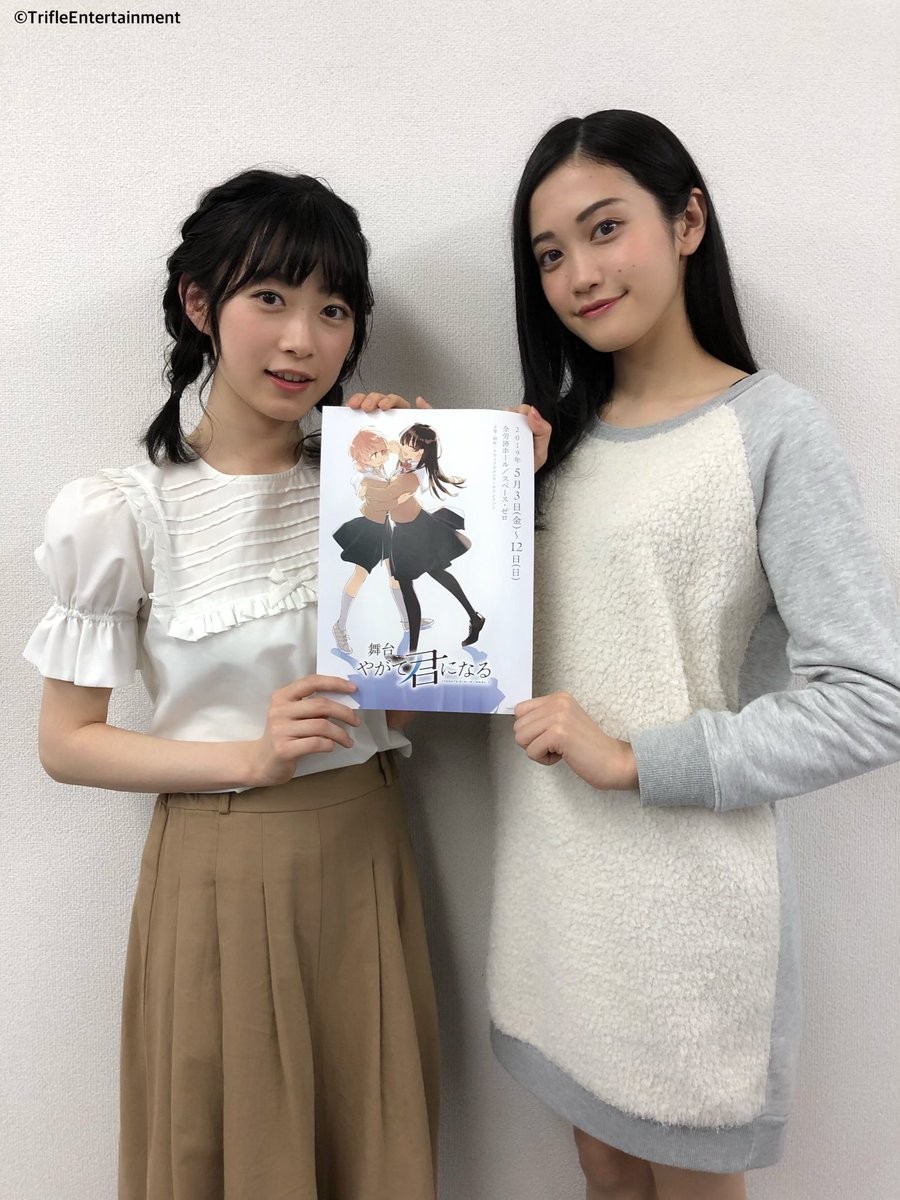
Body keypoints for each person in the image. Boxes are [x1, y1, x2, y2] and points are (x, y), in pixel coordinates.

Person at [488, 110, 900, 1200]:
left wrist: (636, 759)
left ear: (687, 222)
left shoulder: (774, 431)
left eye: (604, 228)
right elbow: (473, 647)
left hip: (686, 911)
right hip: (559, 892)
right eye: (549, 254)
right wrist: (408, 465)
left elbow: (872, 699)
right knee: (602, 1168)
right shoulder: (552, 443)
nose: (579, 274)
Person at [24, 169, 439, 1200]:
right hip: (216, 861)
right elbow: (66, 743)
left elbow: (413, 696)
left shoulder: (365, 485)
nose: (302, 340)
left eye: (333, 310)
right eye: (270, 298)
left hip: (366, 850)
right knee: (235, 1153)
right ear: (201, 304)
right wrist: (248, 757)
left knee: (371, 1143)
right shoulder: (122, 511)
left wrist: (436, 482)